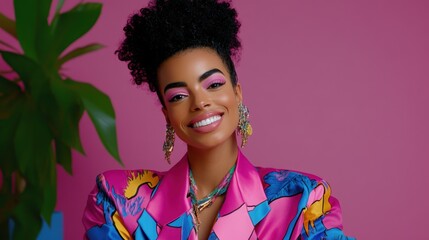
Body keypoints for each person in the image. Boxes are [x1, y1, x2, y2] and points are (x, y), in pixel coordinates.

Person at [82, 0, 355, 239]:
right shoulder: (117, 201)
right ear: (166, 113)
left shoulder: (302, 200)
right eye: (178, 96)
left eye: (213, 85)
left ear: (237, 93)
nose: (200, 102)